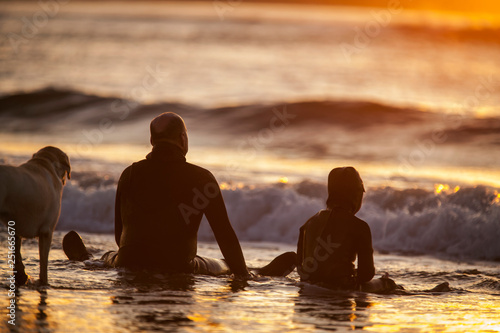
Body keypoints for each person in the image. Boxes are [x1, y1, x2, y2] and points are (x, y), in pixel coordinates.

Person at [65, 112, 251, 278]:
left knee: (109, 256)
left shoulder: (129, 174)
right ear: (183, 138)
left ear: (153, 141)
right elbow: (224, 235)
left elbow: (120, 235)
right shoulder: (202, 178)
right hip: (178, 265)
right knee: (219, 264)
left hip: (130, 261)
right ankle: (244, 270)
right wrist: (243, 274)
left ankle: (86, 258)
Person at [296, 166, 375, 290]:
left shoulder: (308, 224)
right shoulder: (359, 226)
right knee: (388, 284)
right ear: (356, 193)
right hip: (340, 289)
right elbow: (366, 275)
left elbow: (301, 268)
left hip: (308, 289)